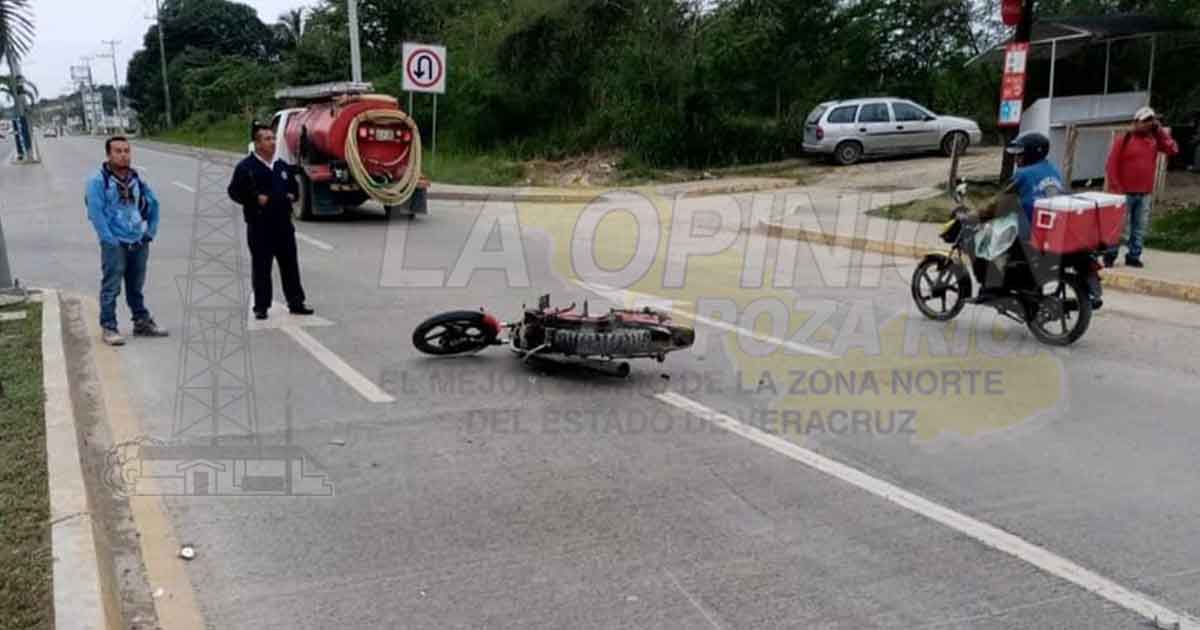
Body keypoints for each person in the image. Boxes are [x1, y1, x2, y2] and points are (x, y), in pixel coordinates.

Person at [975, 132, 1102, 308]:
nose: (1017, 158)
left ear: (1031, 154)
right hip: (1053, 227)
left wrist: (978, 215)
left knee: (990, 243)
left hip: (1032, 228)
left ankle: (992, 289)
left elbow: (999, 202)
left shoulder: (1022, 174)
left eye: (1020, 154)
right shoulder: (1052, 169)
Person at [85, 136, 169, 346]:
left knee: (135, 286)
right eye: (118, 151)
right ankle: (109, 327)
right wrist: (109, 239)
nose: (123, 155)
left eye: (126, 151)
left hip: (138, 241)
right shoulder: (98, 181)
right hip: (115, 243)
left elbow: (154, 204)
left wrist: (150, 231)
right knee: (111, 287)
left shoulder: (135, 178)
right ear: (108, 155)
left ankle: (141, 322)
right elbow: (96, 213)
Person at [227, 122, 314, 320]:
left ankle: (296, 302)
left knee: (290, 264)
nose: (272, 142)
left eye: (273, 138)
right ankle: (261, 306)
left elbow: (294, 188)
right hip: (260, 226)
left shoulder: (281, 166)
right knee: (262, 267)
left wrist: (292, 195)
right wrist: (254, 199)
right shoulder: (246, 167)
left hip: (283, 224)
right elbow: (233, 191)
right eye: (267, 139)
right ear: (257, 144)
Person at [1104, 107, 1179, 268]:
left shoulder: (1154, 139)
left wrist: (1160, 131)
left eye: (1150, 120)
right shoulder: (1124, 139)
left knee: (1140, 227)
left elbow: (1172, 149)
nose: (1147, 124)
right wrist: (1116, 188)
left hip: (1144, 192)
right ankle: (1110, 254)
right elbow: (1111, 165)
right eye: (1144, 120)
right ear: (1136, 122)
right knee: (1118, 226)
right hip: (1123, 192)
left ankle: (1134, 256)